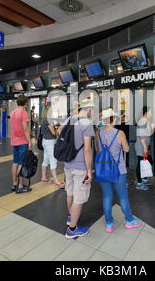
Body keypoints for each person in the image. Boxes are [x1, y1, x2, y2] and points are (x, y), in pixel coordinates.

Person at [95, 108, 142, 233]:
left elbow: (97, 149)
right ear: (113, 119)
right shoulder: (119, 133)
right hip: (119, 170)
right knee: (123, 197)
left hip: (103, 170)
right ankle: (129, 220)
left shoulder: (98, 133)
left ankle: (109, 223)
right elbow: (126, 149)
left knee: (106, 197)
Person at [61, 99, 95, 239]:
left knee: (70, 193)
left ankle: (71, 217)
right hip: (80, 166)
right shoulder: (87, 123)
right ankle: (72, 229)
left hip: (67, 164)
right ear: (88, 110)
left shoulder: (70, 119)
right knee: (79, 198)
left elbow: (58, 132)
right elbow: (87, 149)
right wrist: (89, 170)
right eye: (92, 110)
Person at [10, 95, 32, 193]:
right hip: (22, 141)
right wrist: (30, 141)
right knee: (21, 163)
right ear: (25, 103)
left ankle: (14, 183)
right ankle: (20, 185)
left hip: (14, 141)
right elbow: (25, 128)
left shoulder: (13, 113)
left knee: (15, 162)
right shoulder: (24, 113)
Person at [40, 105, 64, 188]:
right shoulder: (48, 120)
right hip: (50, 142)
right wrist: (60, 128)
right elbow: (54, 133)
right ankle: (57, 182)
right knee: (53, 161)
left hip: (45, 141)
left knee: (45, 160)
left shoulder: (43, 120)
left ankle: (43, 178)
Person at [135, 106, 155, 190]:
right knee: (141, 163)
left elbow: (148, 133)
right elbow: (141, 136)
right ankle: (139, 183)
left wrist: (152, 127)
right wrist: (145, 147)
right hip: (141, 146)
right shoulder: (142, 121)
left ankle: (144, 178)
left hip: (145, 146)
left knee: (146, 161)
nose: (151, 113)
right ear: (146, 113)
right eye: (150, 112)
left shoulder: (146, 121)